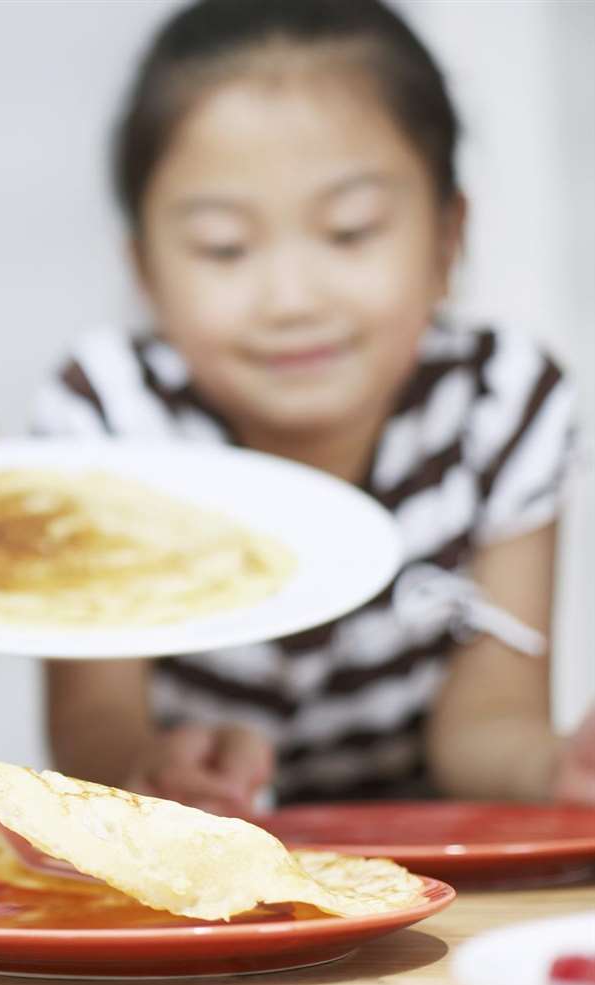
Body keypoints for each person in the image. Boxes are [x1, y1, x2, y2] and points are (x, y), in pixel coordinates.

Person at [30, 0, 590, 816]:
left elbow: (487, 724)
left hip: (428, 877)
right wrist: (150, 770)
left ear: (446, 236)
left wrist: (556, 770)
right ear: (143, 271)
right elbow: (93, 723)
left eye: (350, 231)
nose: (289, 299)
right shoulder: (107, 418)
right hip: (188, 876)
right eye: (224, 246)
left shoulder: (502, 403)